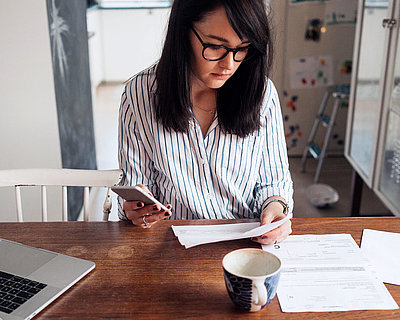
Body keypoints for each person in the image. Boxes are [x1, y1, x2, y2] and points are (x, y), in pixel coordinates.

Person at [118, 0, 293, 245]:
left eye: (242, 48)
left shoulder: (261, 93)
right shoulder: (140, 95)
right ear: (183, 31)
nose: (229, 64)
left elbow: (273, 181)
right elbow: (135, 187)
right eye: (215, 46)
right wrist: (136, 210)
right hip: (171, 246)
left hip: (245, 245)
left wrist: (276, 207)